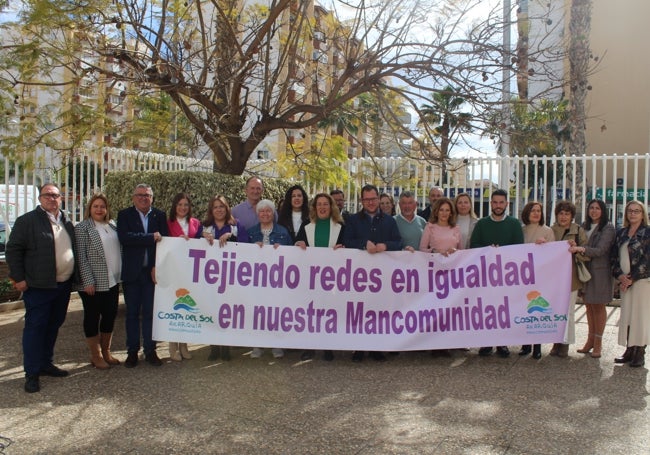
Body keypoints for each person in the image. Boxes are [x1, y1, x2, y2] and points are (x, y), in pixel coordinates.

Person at [6, 183, 77, 393]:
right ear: (40, 198)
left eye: (55, 195)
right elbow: (13, 251)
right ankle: (32, 373)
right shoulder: (27, 221)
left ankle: (46, 363)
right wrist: (18, 278)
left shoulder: (66, 220)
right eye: (47, 195)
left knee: (53, 325)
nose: (51, 199)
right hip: (38, 286)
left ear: (61, 199)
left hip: (62, 285)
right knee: (35, 329)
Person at [344, 184, 402, 362]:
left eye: (373, 199)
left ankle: (377, 347)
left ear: (378, 199)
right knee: (360, 311)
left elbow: (398, 242)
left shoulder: (389, 221)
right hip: (359, 277)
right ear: (362, 201)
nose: (370, 202)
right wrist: (363, 243)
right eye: (367, 199)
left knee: (379, 311)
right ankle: (359, 348)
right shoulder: (353, 220)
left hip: (382, 277)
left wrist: (386, 246)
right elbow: (347, 240)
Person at [117, 183, 168, 368]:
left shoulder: (159, 216)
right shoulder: (124, 215)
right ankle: (132, 352)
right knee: (131, 314)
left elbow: (164, 242)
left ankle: (150, 350)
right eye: (139, 195)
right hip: (132, 274)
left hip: (151, 274)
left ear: (152, 198)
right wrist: (149, 237)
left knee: (149, 314)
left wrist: (156, 265)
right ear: (133, 197)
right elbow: (125, 238)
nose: (143, 198)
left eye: (147, 195)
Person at [470, 189, 524, 358]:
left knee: (503, 310)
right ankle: (486, 342)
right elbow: (474, 246)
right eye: (495, 202)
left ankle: (502, 343)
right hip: (485, 275)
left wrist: (502, 252)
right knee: (487, 309)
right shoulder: (482, 224)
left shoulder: (514, 224)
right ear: (491, 203)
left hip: (506, 276)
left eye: (501, 202)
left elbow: (518, 247)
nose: (498, 206)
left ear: (507, 204)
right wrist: (488, 251)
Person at [295, 193, 345, 361]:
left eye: (326, 204)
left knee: (328, 312)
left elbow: (347, 247)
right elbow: (297, 243)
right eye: (319, 204)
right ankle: (309, 347)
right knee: (310, 312)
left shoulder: (340, 226)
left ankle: (327, 346)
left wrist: (344, 247)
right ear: (314, 208)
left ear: (331, 207)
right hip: (311, 277)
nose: (322, 207)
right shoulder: (306, 225)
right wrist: (298, 244)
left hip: (332, 278)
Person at [74, 194, 122, 370]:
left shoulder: (112, 225)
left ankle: (106, 351)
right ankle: (96, 355)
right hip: (93, 282)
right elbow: (81, 257)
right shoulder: (82, 228)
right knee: (92, 317)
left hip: (113, 280)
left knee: (110, 316)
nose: (99, 209)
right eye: (96, 206)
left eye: (102, 206)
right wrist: (88, 280)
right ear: (90, 208)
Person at [202, 195, 250, 361]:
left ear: (227, 208)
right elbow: (192, 246)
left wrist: (231, 237)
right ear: (211, 210)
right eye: (215, 207)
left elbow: (246, 245)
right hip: (211, 278)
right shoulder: (206, 227)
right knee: (212, 310)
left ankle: (226, 346)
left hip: (231, 277)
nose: (219, 210)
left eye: (221, 207)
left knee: (227, 312)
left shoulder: (235, 226)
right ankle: (213, 347)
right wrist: (202, 239)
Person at [568, 199, 615, 359]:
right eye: (591, 208)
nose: (594, 211)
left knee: (598, 307)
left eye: (597, 208)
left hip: (600, 272)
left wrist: (581, 249)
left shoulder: (608, 228)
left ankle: (598, 343)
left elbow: (601, 250)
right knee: (588, 306)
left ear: (603, 211)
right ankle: (590, 340)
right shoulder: (584, 226)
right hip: (585, 271)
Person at [247, 199, 292, 359]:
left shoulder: (283, 231)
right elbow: (242, 256)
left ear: (273, 214)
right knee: (257, 312)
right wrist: (252, 249)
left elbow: (292, 255)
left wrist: (284, 250)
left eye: (268, 211)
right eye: (262, 211)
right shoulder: (251, 232)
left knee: (276, 311)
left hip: (277, 281)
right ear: (257, 214)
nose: (265, 214)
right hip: (256, 280)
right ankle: (257, 345)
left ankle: (276, 344)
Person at [611, 200, 650, 367]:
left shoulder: (648, 233)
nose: (633, 214)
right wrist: (621, 277)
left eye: (637, 211)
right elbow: (613, 258)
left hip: (642, 281)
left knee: (640, 317)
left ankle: (640, 352)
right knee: (627, 316)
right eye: (630, 211)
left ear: (643, 214)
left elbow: (647, 259)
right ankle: (629, 350)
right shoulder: (621, 233)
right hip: (625, 282)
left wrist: (632, 278)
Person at [166, 192, 203, 362]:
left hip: (191, 271)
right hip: (174, 270)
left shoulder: (196, 223)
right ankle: (173, 345)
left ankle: (184, 344)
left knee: (187, 307)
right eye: (180, 204)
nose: (183, 208)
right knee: (174, 307)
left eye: (186, 205)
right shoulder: (168, 224)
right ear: (175, 206)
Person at [550, 200, 588, 358]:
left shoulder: (578, 231)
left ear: (572, 216)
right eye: (561, 213)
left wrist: (576, 249)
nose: (563, 216)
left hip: (571, 278)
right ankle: (555, 342)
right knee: (555, 312)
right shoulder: (551, 230)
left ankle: (565, 343)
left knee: (569, 312)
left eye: (567, 213)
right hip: (553, 279)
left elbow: (586, 254)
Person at [519, 201, 555, 359]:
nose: (535, 213)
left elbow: (553, 252)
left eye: (538, 211)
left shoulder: (547, 231)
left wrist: (544, 246)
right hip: (524, 276)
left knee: (537, 311)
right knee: (524, 310)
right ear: (527, 213)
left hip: (540, 276)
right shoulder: (521, 230)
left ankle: (537, 346)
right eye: (532, 210)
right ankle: (526, 345)